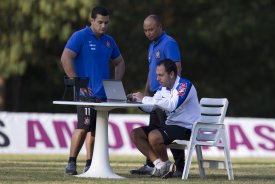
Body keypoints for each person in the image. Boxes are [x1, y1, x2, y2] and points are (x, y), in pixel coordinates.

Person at [60, 6, 125, 175]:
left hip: (104, 95)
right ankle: (71, 162)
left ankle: (90, 163)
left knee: (97, 129)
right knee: (83, 127)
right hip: (85, 94)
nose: (103, 26)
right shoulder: (80, 36)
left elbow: (120, 62)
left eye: (106, 23)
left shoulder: (109, 41)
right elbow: (66, 57)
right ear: (92, 20)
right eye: (100, 22)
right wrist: (77, 83)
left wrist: (115, 85)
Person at [129, 14, 185, 177]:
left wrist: (171, 92)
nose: (148, 33)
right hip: (155, 93)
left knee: (169, 130)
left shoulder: (169, 43)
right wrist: (146, 92)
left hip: (166, 94)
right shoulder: (152, 45)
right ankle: (151, 164)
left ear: (160, 26)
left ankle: (180, 167)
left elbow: (177, 68)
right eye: (145, 30)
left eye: (151, 29)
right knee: (154, 126)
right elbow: (152, 72)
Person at [130, 59, 201, 178]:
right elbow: (151, 107)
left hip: (188, 128)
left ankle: (166, 167)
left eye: (160, 75)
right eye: (157, 75)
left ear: (172, 74)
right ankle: (161, 166)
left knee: (153, 136)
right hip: (171, 125)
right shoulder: (163, 88)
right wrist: (136, 101)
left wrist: (144, 98)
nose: (157, 78)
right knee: (135, 134)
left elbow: (172, 105)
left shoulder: (184, 85)